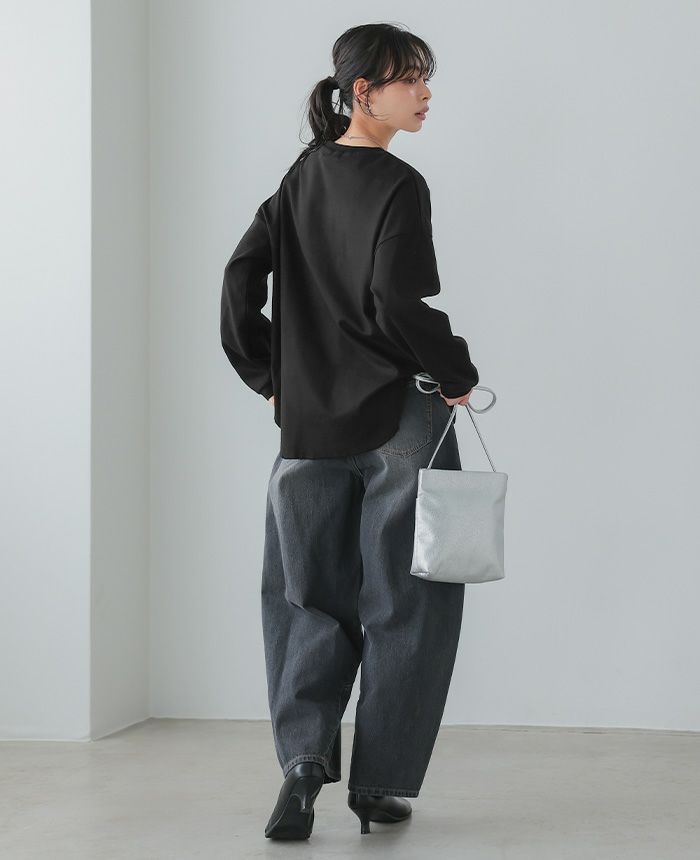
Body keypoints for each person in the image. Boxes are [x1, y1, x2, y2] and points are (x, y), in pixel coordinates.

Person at [220, 22, 479, 840]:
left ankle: (303, 768)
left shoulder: (300, 177)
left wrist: (271, 378)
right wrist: (458, 370)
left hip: (307, 425)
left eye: (426, 78)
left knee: (307, 599)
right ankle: (379, 786)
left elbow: (238, 279)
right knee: (409, 600)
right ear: (363, 92)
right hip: (399, 415)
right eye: (410, 79)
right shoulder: (399, 184)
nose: (425, 93)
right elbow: (395, 305)